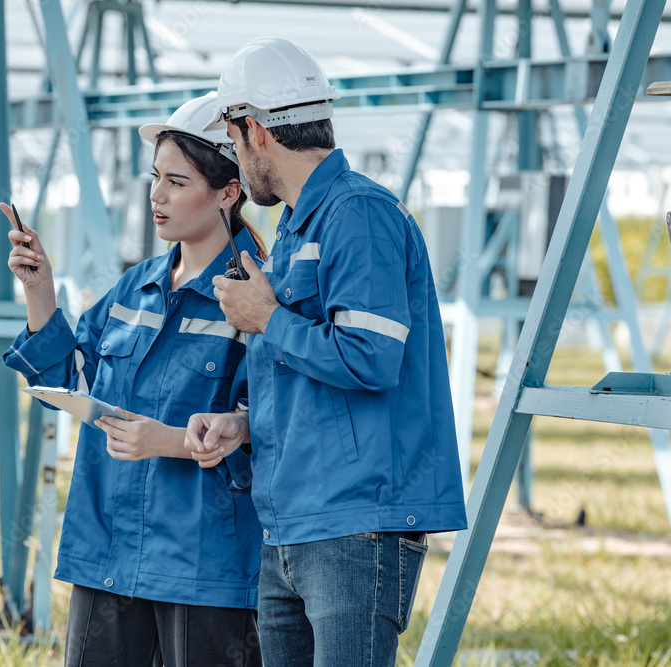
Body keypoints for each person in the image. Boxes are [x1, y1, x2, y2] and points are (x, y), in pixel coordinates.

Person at [184, 38, 468, 667]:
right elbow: (315, 383)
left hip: (354, 522)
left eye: (231, 140)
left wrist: (267, 318)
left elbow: (370, 357)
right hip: (294, 520)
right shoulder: (298, 225)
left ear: (254, 130)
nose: (233, 155)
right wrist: (245, 424)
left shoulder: (358, 215)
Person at [0, 92, 266, 667]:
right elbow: (72, 381)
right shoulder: (134, 290)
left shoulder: (255, 299)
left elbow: (273, 429)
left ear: (228, 191)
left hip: (205, 567)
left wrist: (168, 441)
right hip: (108, 550)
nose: (157, 195)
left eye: (176, 181)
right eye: (155, 178)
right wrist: (39, 290)